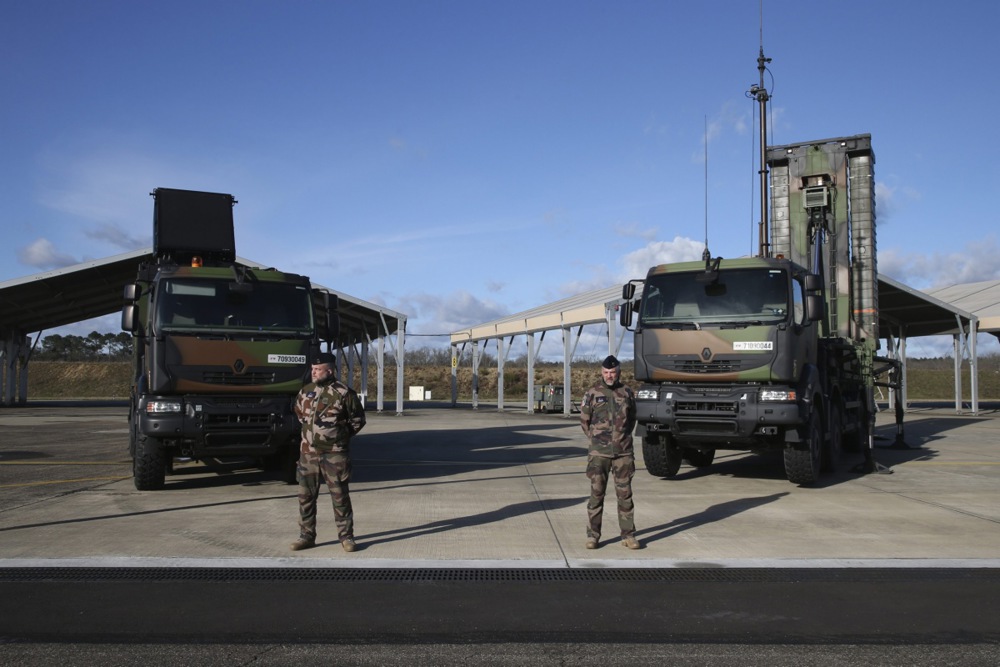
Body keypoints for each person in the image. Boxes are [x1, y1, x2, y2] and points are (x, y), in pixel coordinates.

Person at [290, 352, 366, 552]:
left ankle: (346, 537)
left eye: (317, 369)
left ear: (329, 371)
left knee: (340, 496)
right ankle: (306, 536)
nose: (313, 372)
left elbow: (357, 421)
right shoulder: (305, 391)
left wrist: (339, 437)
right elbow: (299, 414)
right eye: (313, 369)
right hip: (308, 454)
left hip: (334, 454)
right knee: (305, 497)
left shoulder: (344, 393)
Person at [579, 354, 640, 550]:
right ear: (601, 373)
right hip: (599, 454)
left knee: (625, 495)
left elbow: (632, 420)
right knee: (596, 495)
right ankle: (593, 535)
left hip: (623, 453)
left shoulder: (627, 392)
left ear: (618, 372)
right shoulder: (592, 393)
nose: (609, 375)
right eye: (606, 372)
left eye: (613, 372)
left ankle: (628, 535)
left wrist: (621, 438)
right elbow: (585, 421)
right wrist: (597, 440)